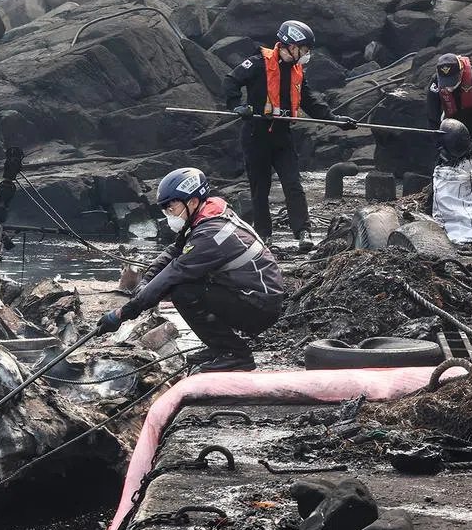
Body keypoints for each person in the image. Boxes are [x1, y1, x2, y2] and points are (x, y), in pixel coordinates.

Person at [96, 167, 285, 373]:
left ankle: (236, 354)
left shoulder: (211, 234)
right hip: (247, 293)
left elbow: (173, 274)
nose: (170, 216)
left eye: (173, 209)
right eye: (166, 210)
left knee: (184, 292)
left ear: (193, 202)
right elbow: (173, 252)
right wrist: (146, 280)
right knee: (187, 288)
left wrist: (121, 314)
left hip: (259, 305)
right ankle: (219, 347)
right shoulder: (204, 216)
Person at [223, 20, 357, 251]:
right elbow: (230, 81)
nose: (307, 54)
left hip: (282, 136)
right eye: (304, 49)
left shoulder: (297, 72)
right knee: (260, 188)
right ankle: (264, 235)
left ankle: (303, 231)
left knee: (293, 184)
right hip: (256, 135)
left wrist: (334, 119)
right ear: (291, 46)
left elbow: (310, 101)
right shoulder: (257, 63)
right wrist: (237, 105)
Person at [426, 53, 472, 174]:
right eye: (445, 82)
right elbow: (432, 117)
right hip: (451, 127)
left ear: (461, 72)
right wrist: (439, 145)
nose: (449, 87)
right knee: (443, 164)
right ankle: (437, 190)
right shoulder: (435, 82)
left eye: (452, 81)